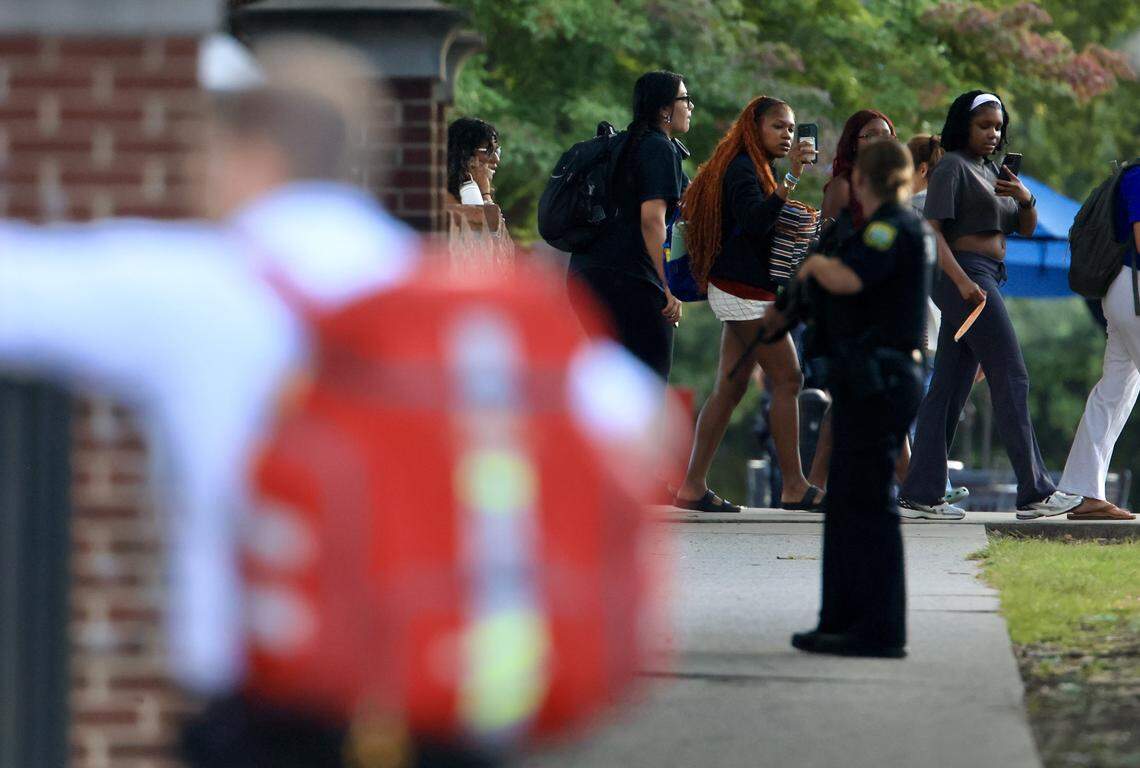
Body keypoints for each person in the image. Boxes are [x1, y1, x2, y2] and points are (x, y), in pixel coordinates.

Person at [767, 138, 931, 657]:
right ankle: (840, 619)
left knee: (869, 504)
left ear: (862, 179)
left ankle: (878, 629)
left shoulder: (891, 228)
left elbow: (851, 278)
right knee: (847, 503)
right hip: (865, 376)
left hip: (882, 377)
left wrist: (813, 268)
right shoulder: (878, 227)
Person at [897, 90, 1082, 520]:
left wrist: (1024, 197)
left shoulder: (994, 171)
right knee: (1012, 375)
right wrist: (962, 283)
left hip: (986, 275)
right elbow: (932, 231)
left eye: (998, 127)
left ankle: (921, 493)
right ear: (963, 125)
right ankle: (1035, 492)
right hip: (965, 275)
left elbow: (1025, 228)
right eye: (984, 125)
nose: (993, 133)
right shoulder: (952, 167)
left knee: (949, 385)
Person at [671, 96, 820, 513]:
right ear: (755, 128)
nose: (787, 135)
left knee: (731, 386)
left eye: (791, 128)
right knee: (788, 377)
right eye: (778, 126)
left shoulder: (756, 166)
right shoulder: (741, 167)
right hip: (742, 292)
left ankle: (692, 486)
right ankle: (794, 486)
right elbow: (755, 223)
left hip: (746, 290)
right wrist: (791, 179)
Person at [567, 70, 692, 380]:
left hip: (587, 276)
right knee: (649, 384)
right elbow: (652, 220)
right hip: (630, 279)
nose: (690, 106)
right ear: (664, 109)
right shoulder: (659, 147)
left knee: (615, 384)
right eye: (685, 99)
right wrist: (670, 283)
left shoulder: (622, 144)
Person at [1056, 161, 1140, 520]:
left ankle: (1084, 490)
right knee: (1115, 391)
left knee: (1115, 391)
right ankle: (1083, 489)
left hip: (1125, 291)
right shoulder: (1138, 177)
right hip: (1133, 289)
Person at [447, 117, 501, 206]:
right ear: (466, 155)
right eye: (488, 151)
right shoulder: (453, 194)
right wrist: (485, 196)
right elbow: (482, 215)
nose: (496, 159)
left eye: (497, 151)